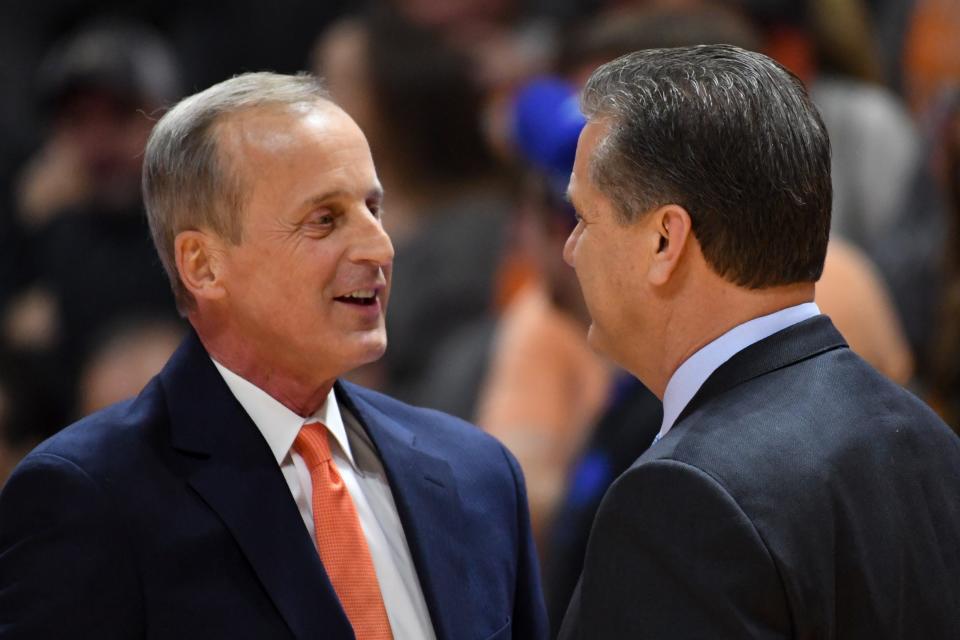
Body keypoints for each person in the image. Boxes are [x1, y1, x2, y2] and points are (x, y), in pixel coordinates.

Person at [0, 72, 547, 639]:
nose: (379, 246)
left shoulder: (478, 473)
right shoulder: (91, 498)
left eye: (373, 207)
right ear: (203, 266)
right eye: (325, 219)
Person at [558, 45, 960, 639]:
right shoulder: (929, 437)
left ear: (665, 241)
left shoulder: (682, 497)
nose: (570, 250)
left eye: (585, 220)